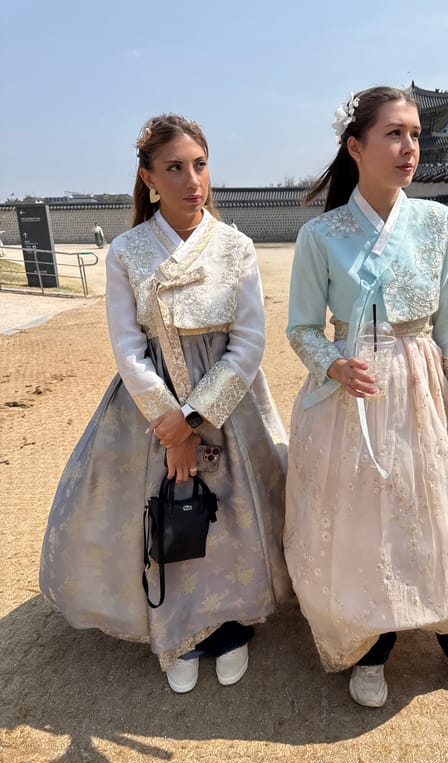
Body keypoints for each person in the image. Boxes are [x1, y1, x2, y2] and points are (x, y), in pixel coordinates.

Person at [284, 87, 448, 708]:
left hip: (424, 384)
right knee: (365, 517)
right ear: (355, 146)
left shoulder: (438, 223)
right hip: (350, 398)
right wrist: (333, 363)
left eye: (416, 134)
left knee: (445, 509)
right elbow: (303, 327)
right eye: (394, 134)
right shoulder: (321, 235)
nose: (409, 147)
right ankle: (371, 643)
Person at [40, 114, 291, 693]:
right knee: (162, 513)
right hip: (149, 409)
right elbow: (128, 346)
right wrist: (172, 429)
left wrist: (198, 418)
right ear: (149, 177)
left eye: (199, 165)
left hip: (229, 404)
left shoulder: (236, 247)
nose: (190, 180)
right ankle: (176, 627)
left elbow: (250, 341)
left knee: (230, 513)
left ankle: (229, 626)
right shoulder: (128, 250)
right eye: (174, 168)